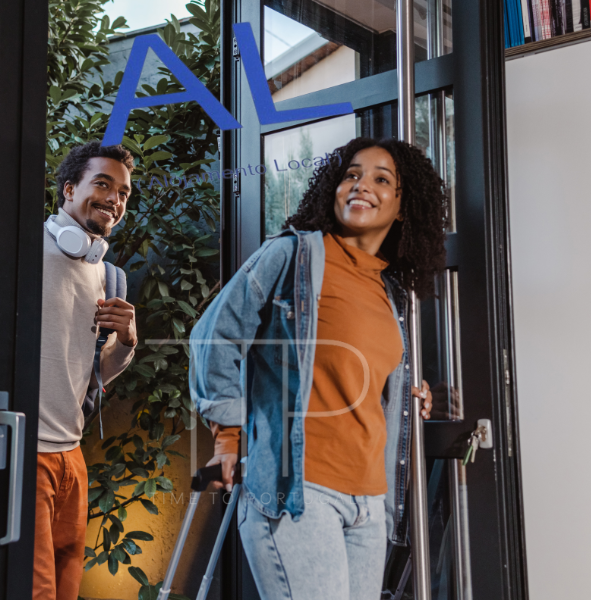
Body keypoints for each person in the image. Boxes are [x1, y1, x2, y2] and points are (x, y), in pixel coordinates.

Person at [188, 137, 448, 600]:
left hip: (370, 503)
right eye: (351, 174)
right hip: (299, 492)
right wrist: (228, 436)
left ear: (403, 207)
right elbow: (215, 335)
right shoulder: (293, 255)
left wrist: (408, 392)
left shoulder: (391, 296)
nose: (361, 184)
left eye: (381, 179)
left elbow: (363, 375)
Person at [0, 141, 139, 600]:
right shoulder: (16, 255)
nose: (114, 199)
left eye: (124, 192)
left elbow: (95, 373)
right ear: (69, 189)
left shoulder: (107, 276)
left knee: (64, 593)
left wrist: (128, 342)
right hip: (20, 455)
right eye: (103, 184)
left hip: (71, 460)